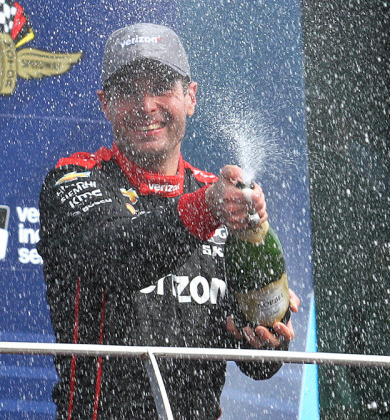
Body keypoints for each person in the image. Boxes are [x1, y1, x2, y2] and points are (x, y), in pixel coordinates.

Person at [37, 23, 299, 419]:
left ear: (190, 97)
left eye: (161, 87)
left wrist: (263, 337)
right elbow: (114, 256)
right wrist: (206, 210)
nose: (146, 105)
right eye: (127, 91)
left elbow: (259, 366)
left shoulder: (220, 200)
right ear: (104, 103)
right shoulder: (73, 178)